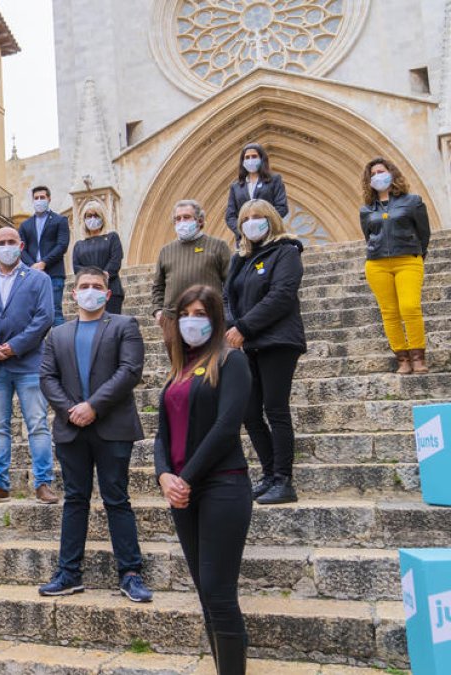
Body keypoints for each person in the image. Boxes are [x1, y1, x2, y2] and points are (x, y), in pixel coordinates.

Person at [154, 285, 253, 674]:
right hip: (182, 492)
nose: (193, 321)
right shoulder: (177, 370)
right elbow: (162, 434)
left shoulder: (232, 361)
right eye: (186, 314)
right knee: (206, 594)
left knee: (219, 591)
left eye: (201, 313)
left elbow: (228, 427)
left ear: (215, 318)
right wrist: (164, 475)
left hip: (222, 485)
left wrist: (185, 478)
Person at [37, 268, 151, 603]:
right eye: (84, 286)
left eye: (97, 286)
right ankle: (68, 573)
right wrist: (72, 409)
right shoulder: (56, 335)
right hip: (71, 429)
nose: (90, 291)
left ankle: (130, 573)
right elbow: (47, 378)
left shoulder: (124, 326)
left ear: (107, 293)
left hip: (113, 427)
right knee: (75, 500)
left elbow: (130, 371)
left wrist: (93, 407)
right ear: (73, 294)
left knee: (117, 498)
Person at [0, 226, 58, 505]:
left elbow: (44, 318)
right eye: (1, 243)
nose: (6, 246)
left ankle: (43, 483)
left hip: (29, 363)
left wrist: (14, 346)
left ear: (21, 246)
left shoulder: (38, 279)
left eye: (11, 242)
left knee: (38, 424)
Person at [224, 199, 306, 506]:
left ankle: (284, 480)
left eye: (258, 216)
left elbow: (281, 295)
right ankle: (270, 474)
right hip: (247, 343)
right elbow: (226, 297)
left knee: (275, 409)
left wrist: (243, 326)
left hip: (278, 341)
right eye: (246, 218)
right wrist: (233, 325)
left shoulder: (287, 252)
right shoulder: (240, 259)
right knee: (249, 412)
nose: (252, 222)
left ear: (271, 219)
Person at [360, 156, 432, 374]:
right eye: (372, 174)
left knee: (409, 307)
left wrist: (416, 254)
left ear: (392, 173)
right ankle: (402, 359)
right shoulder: (366, 209)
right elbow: (369, 236)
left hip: (408, 260)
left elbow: (424, 233)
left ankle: (418, 357)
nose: (377, 177)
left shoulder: (413, 201)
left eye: (381, 172)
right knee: (389, 312)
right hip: (377, 264)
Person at [151, 200, 232, 325]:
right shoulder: (165, 251)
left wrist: (227, 314)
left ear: (199, 221)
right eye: (178, 219)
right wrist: (157, 310)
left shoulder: (218, 246)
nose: (181, 222)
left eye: (186, 217)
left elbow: (230, 283)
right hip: (173, 319)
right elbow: (158, 286)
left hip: (209, 317)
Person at [18, 185, 70, 326]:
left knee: (55, 312)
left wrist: (44, 263)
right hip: (31, 274)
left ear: (49, 199)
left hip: (54, 274)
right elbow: (21, 248)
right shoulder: (25, 225)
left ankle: (61, 346)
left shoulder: (60, 221)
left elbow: (62, 245)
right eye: (36, 198)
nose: (39, 200)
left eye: (42, 197)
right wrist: (32, 265)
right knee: (33, 313)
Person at [224, 143, 289, 242]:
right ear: (243, 161)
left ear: (262, 158)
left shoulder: (274, 180)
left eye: (254, 156)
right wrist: (244, 231)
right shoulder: (236, 186)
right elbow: (230, 216)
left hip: (270, 236)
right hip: (245, 240)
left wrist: (263, 226)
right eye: (247, 157)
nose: (250, 160)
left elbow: (282, 207)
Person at [70, 200, 125, 314]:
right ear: (84, 219)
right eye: (89, 216)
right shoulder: (79, 245)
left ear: (102, 217)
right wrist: (92, 279)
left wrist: (103, 276)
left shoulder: (112, 238)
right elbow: (76, 267)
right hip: (88, 293)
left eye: (96, 215)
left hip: (111, 290)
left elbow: (116, 259)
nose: (92, 219)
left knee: (111, 326)